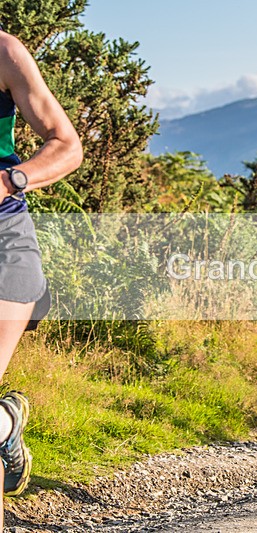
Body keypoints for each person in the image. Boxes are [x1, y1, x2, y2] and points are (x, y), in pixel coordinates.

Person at [0, 26, 83, 520]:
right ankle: (6, 422)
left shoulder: (5, 51)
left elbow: (67, 145)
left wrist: (12, 178)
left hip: (4, 240)